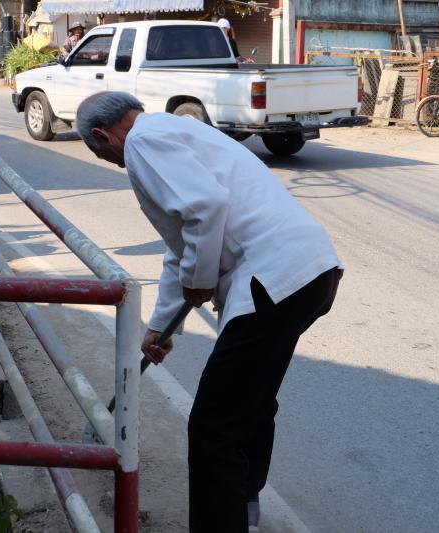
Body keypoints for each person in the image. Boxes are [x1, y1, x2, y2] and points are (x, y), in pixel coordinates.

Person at [76, 91, 343, 533]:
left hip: (272, 279)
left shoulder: (142, 142)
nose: (116, 165)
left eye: (103, 155)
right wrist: (160, 326)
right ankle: (244, 511)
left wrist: (200, 279)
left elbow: (205, 210)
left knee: (213, 427)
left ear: (102, 136)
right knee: (251, 405)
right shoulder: (176, 128)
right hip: (310, 273)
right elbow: (182, 243)